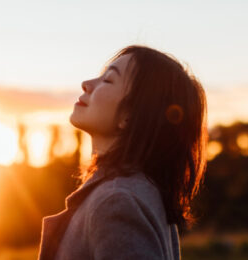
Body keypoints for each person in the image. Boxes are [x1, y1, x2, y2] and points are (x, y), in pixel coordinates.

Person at [38, 45, 207, 260]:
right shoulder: (142, 192)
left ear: (129, 115)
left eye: (108, 80)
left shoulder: (116, 201)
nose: (87, 84)